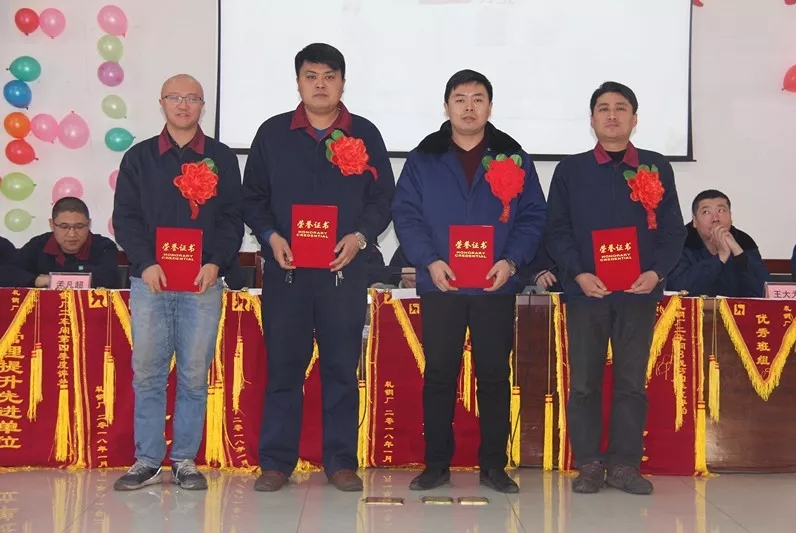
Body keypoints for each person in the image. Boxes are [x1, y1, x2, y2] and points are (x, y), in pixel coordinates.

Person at [242, 43, 394, 492]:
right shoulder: (272, 133)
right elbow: (252, 198)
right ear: (298, 82)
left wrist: (360, 237)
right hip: (287, 273)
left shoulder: (365, 133)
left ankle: (341, 462)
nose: (321, 85)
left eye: (330, 76)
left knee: (341, 370)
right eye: (311, 76)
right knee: (284, 369)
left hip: (343, 274)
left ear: (343, 83)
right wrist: (270, 236)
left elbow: (383, 198)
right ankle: (276, 463)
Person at [392, 69, 547, 493]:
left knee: (494, 375)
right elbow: (405, 213)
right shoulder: (424, 157)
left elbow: (533, 216)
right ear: (446, 106)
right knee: (439, 374)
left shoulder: (513, 156)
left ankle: (493, 466)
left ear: (490, 107)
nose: (469, 107)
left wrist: (511, 262)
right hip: (441, 283)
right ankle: (436, 464)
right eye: (460, 99)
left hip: (495, 285)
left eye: (478, 99)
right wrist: (429, 261)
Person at [545, 82, 686, 495]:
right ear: (591, 120)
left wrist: (656, 273)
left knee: (630, 382)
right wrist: (578, 274)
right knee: (584, 382)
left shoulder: (656, 166)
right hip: (587, 293)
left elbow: (673, 232)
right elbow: (557, 231)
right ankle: (589, 463)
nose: (612, 115)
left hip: (638, 293)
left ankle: (624, 465)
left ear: (634, 118)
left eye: (621, 108)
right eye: (603, 108)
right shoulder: (570, 170)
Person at [112, 74, 244, 491]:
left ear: (203, 105)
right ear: (162, 103)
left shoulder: (222, 158)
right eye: (175, 97)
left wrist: (216, 263)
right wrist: (146, 262)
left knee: (193, 374)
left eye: (192, 98)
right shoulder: (139, 157)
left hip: (202, 284)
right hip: (150, 283)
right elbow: (126, 218)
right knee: (147, 373)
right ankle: (147, 461)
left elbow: (232, 218)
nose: (183, 104)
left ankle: (185, 459)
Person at [667, 190, 770, 297]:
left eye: (721, 210)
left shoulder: (744, 241)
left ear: (731, 216)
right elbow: (678, 288)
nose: (715, 219)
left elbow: (764, 291)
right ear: (695, 221)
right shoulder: (681, 243)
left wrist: (738, 252)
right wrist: (720, 257)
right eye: (706, 212)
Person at [13, 197, 118, 288]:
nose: (72, 234)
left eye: (79, 226)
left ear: (89, 224)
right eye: (64, 227)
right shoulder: (38, 245)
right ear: (52, 224)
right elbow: (9, 272)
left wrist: (54, 280)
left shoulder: (104, 246)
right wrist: (37, 280)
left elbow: (107, 278)